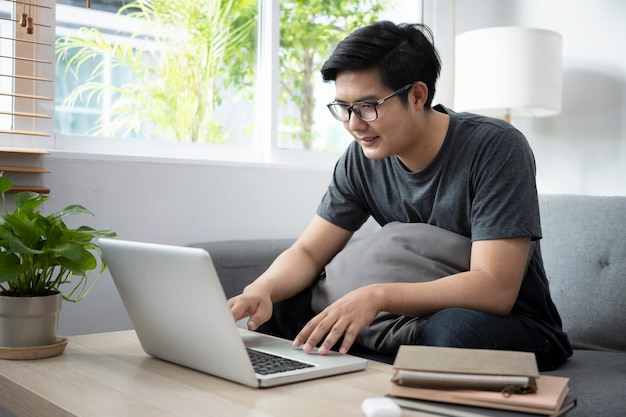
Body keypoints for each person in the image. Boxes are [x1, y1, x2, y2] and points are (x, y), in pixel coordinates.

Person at [228, 21, 572, 371]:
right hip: (406, 320)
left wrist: (376, 296)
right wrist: (262, 289)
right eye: (343, 108)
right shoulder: (362, 158)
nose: (354, 125)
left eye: (367, 106)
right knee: (284, 306)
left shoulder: (496, 147)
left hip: (512, 323)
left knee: (451, 331)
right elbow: (308, 250)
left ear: (418, 95)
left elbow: (495, 288)